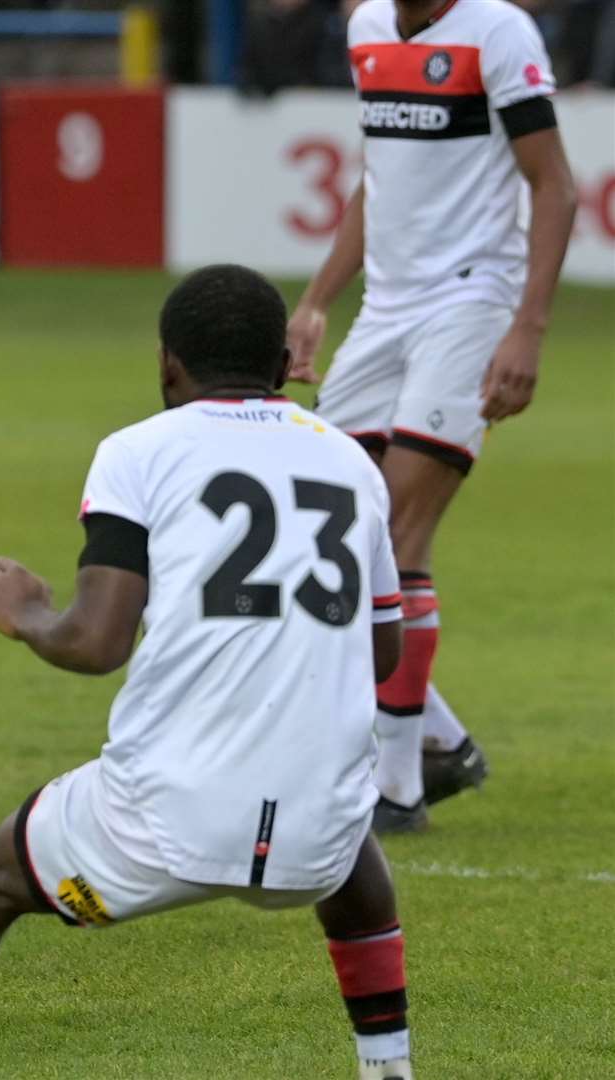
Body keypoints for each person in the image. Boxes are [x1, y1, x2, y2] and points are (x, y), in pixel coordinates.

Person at [0, 265, 414, 1080]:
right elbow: (383, 654)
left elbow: (95, 641)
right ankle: (388, 1066)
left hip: (165, 818)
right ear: (283, 360)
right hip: (313, 841)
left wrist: (27, 613)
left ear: (166, 364)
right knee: (352, 845)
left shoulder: (138, 451)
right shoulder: (349, 464)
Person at [286, 0, 576, 832]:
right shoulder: (367, 29)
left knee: (400, 531)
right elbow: (376, 183)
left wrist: (526, 325)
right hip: (384, 311)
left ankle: (398, 790)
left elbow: (552, 182)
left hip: (470, 305)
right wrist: (314, 302)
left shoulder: (496, 32)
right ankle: (442, 743)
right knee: (326, 529)